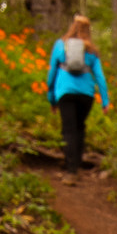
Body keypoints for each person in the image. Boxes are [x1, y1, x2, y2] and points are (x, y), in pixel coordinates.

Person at [46, 15, 110, 174]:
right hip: (86, 95)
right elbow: (100, 77)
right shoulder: (92, 50)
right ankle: (76, 162)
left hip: (65, 92)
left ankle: (71, 168)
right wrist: (105, 101)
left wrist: (51, 98)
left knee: (68, 129)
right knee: (79, 127)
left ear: (72, 26)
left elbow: (52, 73)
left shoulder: (60, 45)